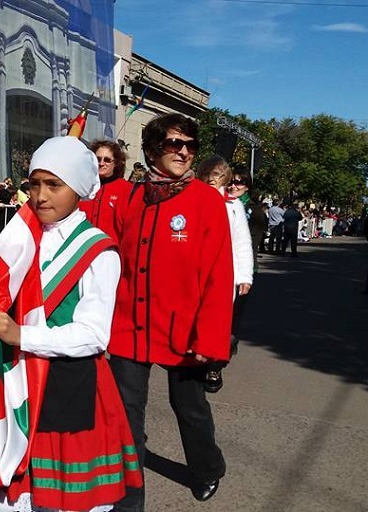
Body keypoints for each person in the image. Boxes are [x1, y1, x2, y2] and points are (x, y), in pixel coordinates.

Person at [0, 136, 142, 511]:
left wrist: (20, 334)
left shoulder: (98, 250)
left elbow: (93, 335)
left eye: (54, 185)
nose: (41, 196)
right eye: (34, 184)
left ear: (78, 188)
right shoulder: (24, 235)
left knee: (58, 499)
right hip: (16, 378)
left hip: (67, 384)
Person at [109, 114, 234, 509]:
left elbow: (219, 274)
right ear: (151, 149)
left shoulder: (206, 200)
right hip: (129, 326)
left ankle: (207, 467)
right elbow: (103, 254)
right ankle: (129, 500)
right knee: (126, 417)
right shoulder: (129, 197)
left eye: (190, 144)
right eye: (173, 143)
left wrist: (210, 339)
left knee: (190, 409)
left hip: (185, 331)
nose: (183, 151)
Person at [196, 155, 253, 394]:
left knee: (221, 322)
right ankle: (194, 360)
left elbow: (242, 242)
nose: (212, 179)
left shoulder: (233, 205)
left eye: (218, 175)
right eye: (209, 174)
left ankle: (215, 366)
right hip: (196, 271)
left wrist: (244, 276)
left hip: (224, 273)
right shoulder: (192, 199)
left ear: (225, 179)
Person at [79, 139, 133, 243]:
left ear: (116, 163)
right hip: (83, 250)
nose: (101, 163)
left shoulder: (127, 190)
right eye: (98, 159)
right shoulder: (83, 186)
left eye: (107, 160)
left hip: (110, 251)